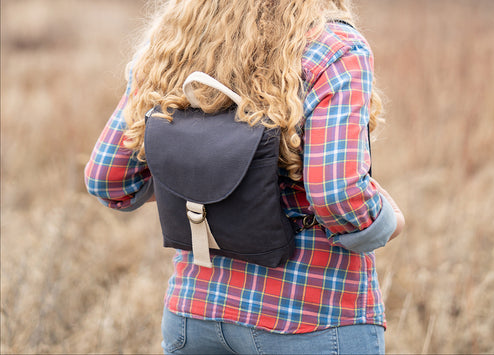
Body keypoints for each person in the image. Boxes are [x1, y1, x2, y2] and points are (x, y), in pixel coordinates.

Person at [84, 0, 404, 353]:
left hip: (197, 312)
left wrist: (207, 183)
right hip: (310, 315)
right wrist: (389, 220)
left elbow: (107, 178)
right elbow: (337, 195)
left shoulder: (175, 41)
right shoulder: (334, 48)